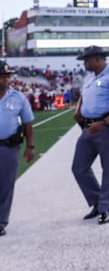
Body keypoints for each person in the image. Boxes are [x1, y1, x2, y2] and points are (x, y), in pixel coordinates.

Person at [72, 46, 109, 225]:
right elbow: (83, 97)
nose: (84, 63)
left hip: (106, 127)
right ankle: (98, 201)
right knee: (79, 168)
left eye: (86, 60)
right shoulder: (90, 78)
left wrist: (105, 123)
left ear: (97, 59)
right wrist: (78, 111)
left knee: (107, 168)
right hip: (88, 127)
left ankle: (104, 208)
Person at [0, 61, 35, 237]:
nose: (7, 79)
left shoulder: (18, 98)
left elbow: (28, 124)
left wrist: (30, 146)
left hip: (8, 147)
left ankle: (1, 221)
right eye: (3, 76)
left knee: (5, 185)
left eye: (8, 75)